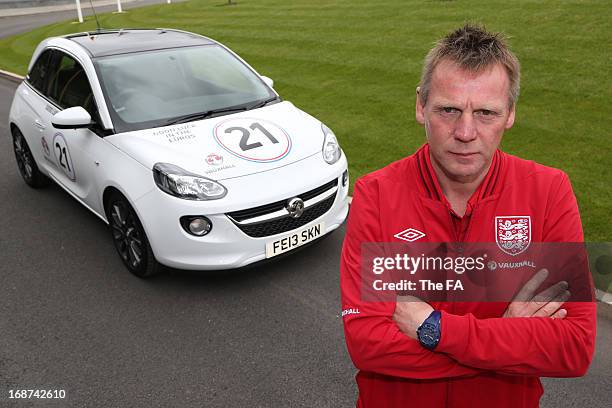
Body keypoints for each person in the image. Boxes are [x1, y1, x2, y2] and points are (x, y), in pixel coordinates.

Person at [340, 24, 596, 408]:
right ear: (420, 105)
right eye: (449, 109)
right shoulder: (376, 194)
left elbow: (574, 346)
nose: (465, 132)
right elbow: (368, 345)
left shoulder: (548, 191)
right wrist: (506, 339)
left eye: (486, 113)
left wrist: (434, 329)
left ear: (510, 114)